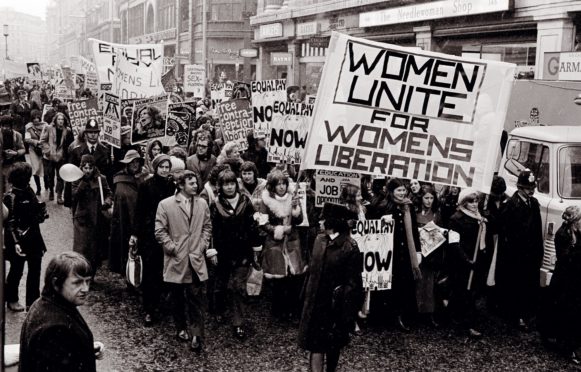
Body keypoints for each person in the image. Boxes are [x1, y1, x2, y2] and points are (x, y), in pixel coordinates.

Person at [298, 203, 362, 372]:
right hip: (316, 301)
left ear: (332, 222)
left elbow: (353, 283)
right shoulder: (319, 240)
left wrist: (347, 312)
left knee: (333, 346)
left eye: (324, 219)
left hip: (334, 306)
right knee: (315, 344)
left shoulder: (350, 247)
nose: (320, 222)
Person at [155, 170, 213, 351]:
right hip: (176, 260)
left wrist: (202, 245)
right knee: (178, 297)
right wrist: (172, 247)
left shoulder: (202, 203)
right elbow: (160, 231)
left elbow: (207, 226)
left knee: (196, 298)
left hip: (196, 259)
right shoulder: (166, 205)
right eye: (191, 183)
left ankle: (197, 334)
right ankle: (180, 327)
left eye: (196, 182)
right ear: (180, 185)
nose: (196, 185)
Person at [19, 252, 104, 372]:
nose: (85, 289)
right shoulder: (55, 329)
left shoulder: (45, 304)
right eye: (77, 282)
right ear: (56, 283)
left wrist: (85, 349)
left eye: (87, 281)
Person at [210, 169, 262, 340]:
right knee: (221, 284)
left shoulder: (245, 203)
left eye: (232, 183)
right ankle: (218, 309)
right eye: (226, 184)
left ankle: (238, 323)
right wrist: (212, 251)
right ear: (221, 186)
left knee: (238, 286)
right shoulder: (215, 205)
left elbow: (252, 227)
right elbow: (211, 230)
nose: (230, 187)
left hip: (242, 251)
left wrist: (256, 249)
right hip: (223, 252)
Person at [368, 178, 421, 331]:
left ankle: (401, 316)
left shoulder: (408, 207)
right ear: (391, 191)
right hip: (388, 252)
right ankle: (384, 317)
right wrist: (382, 222)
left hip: (405, 253)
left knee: (403, 285)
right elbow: (372, 228)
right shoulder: (383, 206)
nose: (402, 193)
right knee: (387, 285)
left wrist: (417, 250)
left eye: (404, 190)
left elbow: (414, 230)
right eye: (399, 190)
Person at [496, 169, 544, 331]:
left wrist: (539, 252)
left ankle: (525, 314)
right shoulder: (510, 206)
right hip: (516, 256)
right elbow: (506, 235)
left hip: (530, 254)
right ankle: (515, 316)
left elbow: (537, 231)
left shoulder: (534, 203)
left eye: (532, 187)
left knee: (528, 286)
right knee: (515, 286)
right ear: (520, 188)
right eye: (527, 188)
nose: (531, 190)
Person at [131, 154, 176, 326]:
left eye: (167, 167)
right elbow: (139, 211)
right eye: (162, 167)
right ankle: (149, 309)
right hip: (149, 234)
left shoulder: (172, 186)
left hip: (167, 233)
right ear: (156, 168)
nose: (165, 170)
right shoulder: (146, 185)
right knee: (149, 273)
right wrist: (135, 234)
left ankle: (162, 305)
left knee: (164, 270)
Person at [256, 169, 306, 320]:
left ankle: (293, 309)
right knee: (278, 277)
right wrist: (278, 230)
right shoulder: (266, 200)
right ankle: (279, 311)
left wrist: (296, 209)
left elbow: (299, 220)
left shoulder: (293, 196)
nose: (282, 187)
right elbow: (263, 223)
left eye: (284, 184)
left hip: (292, 240)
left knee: (294, 276)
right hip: (275, 241)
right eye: (278, 184)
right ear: (272, 186)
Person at [4, 162, 48, 312]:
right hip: (18, 239)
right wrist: (15, 242)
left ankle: (32, 302)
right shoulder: (10, 197)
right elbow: (9, 222)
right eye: (27, 177)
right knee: (17, 270)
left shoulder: (29, 190)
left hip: (34, 237)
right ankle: (11, 298)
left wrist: (41, 213)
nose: (29, 180)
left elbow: (35, 214)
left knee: (35, 270)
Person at [539, 206, 581, 364]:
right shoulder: (563, 235)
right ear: (574, 221)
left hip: (574, 279)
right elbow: (565, 258)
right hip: (565, 280)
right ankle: (566, 346)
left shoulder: (576, 233)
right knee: (566, 311)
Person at [447, 188, 488, 338]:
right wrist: (467, 261)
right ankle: (455, 324)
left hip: (476, 262)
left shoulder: (480, 218)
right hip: (461, 263)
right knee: (459, 293)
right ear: (464, 203)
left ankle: (469, 323)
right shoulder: (456, 219)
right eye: (471, 201)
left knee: (472, 294)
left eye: (476, 200)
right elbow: (454, 244)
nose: (474, 204)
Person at [72, 154, 113, 275]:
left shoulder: (101, 179)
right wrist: (83, 183)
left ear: (94, 167)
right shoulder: (76, 179)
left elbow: (109, 193)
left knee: (94, 250)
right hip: (82, 220)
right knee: (81, 249)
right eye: (85, 168)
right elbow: (74, 197)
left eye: (90, 168)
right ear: (81, 167)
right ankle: (79, 274)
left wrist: (107, 202)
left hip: (97, 218)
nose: (88, 170)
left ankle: (91, 275)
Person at [108, 150, 145, 275]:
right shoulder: (119, 179)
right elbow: (118, 199)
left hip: (139, 219)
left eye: (137, 162)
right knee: (124, 247)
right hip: (123, 220)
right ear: (127, 164)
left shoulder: (143, 179)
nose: (135, 165)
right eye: (132, 162)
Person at [414, 184, 444, 327]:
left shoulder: (437, 214)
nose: (429, 201)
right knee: (417, 282)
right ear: (421, 198)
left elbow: (442, 233)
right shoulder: (414, 212)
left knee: (429, 283)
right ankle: (416, 311)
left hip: (431, 252)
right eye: (426, 198)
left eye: (431, 198)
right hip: (418, 251)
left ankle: (429, 313)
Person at [39, 112, 74, 203]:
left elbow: (70, 143)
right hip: (50, 156)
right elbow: (43, 140)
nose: (60, 121)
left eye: (62, 119)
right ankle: (51, 190)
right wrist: (47, 151)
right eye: (59, 119)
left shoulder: (68, 130)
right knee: (50, 175)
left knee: (60, 176)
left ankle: (59, 195)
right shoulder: (49, 128)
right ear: (55, 120)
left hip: (61, 157)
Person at [23, 109, 46, 196]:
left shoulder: (45, 125)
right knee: (35, 169)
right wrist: (36, 142)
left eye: (37, 118)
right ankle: (39, 188)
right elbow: (27, 139)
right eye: (34, 118)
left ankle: (47, 185)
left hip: (44, 149)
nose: (36, 120)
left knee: (45, 169)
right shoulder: (28, 127)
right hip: (33, 150)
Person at [0, 115, 26, 182]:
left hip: (13, 163)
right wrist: (3, 152)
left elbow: (23, 149)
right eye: (3, 126)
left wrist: (16, 153)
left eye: (7, 126)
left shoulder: (18, 135)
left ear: (11, 126)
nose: (5, 128)